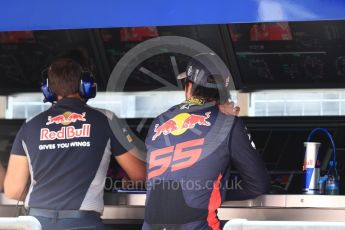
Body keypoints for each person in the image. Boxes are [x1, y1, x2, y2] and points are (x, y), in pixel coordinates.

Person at [4, 55, 146, 229]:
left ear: (48, 90)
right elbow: (140, 174)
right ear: (85, 86)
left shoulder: (30, 124)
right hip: (83, 222)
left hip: (36, 223)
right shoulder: (106, 120)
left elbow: (12, 190)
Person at [143, 53, 269, 230]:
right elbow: (259, 185)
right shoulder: (228, 124)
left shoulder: (158, 122)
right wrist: (215, 192)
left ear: (189, 87)